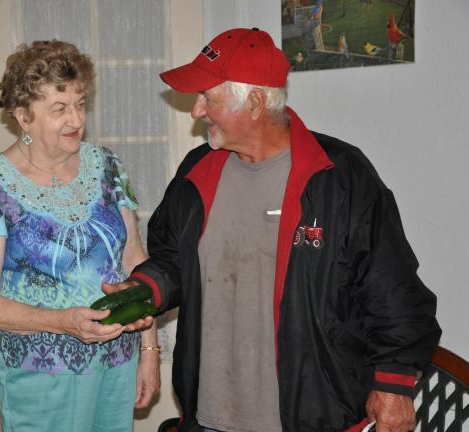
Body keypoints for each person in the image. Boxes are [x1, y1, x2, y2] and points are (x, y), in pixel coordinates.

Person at [105, 28, 440, 432]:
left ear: (255, 102)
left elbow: (394, 289)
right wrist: (143, 289)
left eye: (206, 97)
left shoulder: (340, 177)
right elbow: (173, 259)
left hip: (313, 417)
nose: (196, 111)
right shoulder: (198, 171)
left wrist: (394, 383)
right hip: (211, 417)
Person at [0, 40, 159, 431]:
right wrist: (62, 321)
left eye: (80, 104)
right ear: (23, 116)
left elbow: (135, 261)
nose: (76, 119)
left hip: (117, 364)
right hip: (41, 376)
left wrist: (149, 350)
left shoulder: (107, 166)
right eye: (59, 109)